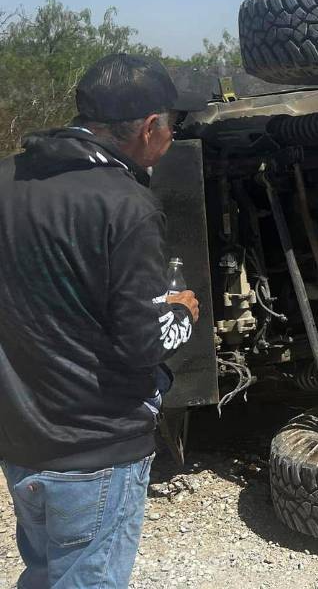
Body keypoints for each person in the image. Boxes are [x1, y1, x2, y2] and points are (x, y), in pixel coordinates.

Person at [0, 54, 203, 588]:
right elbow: (143, 343)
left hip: (21, 442)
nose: (172, 137)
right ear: (150, 127)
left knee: (45, 574)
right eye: (173, 126)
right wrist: (180, 311)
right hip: (95, 452)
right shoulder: (125, 205)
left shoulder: (6, 180)